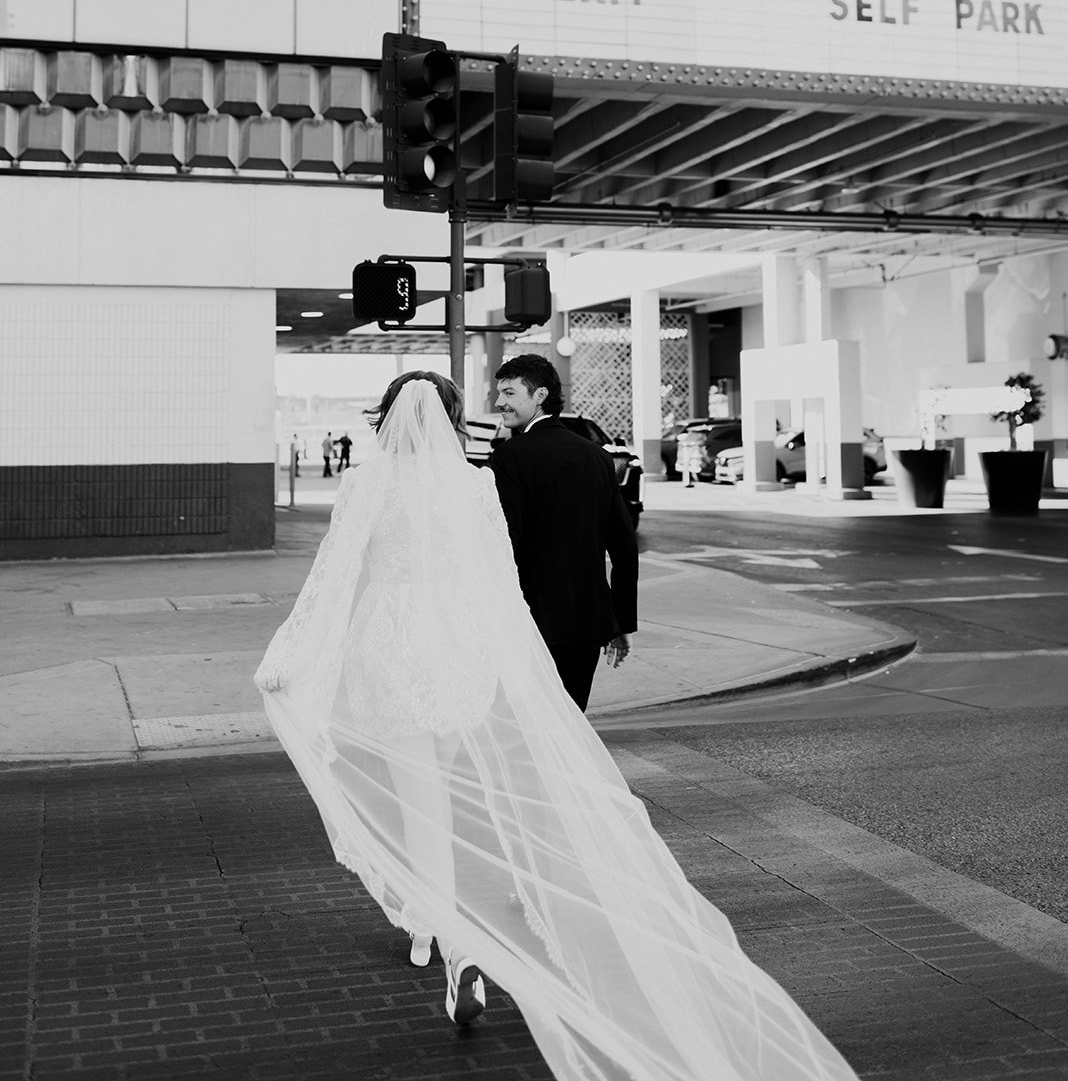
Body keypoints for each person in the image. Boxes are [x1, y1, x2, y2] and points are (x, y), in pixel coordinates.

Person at [254, 372, 858, 1081]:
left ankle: (436, 930)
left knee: (414, 793)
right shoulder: (474, 484)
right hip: (457, 650)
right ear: (450, 418)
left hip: (388, 647)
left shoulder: (363, 484)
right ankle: (456, 940)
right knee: (455, 786)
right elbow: (498, 583)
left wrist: (292, 655)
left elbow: (334, 578)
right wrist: (517, 666)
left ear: (386, 416)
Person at [489, 354, 637, 710]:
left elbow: (505, 544)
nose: (499, 402)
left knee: (530, 728)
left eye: (509, 393)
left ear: (540, 395)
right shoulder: (598, 457)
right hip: (588, 622)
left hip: (530, 621)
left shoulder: (509, 458)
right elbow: (623, 545)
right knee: (570, 722)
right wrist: (619, 621)